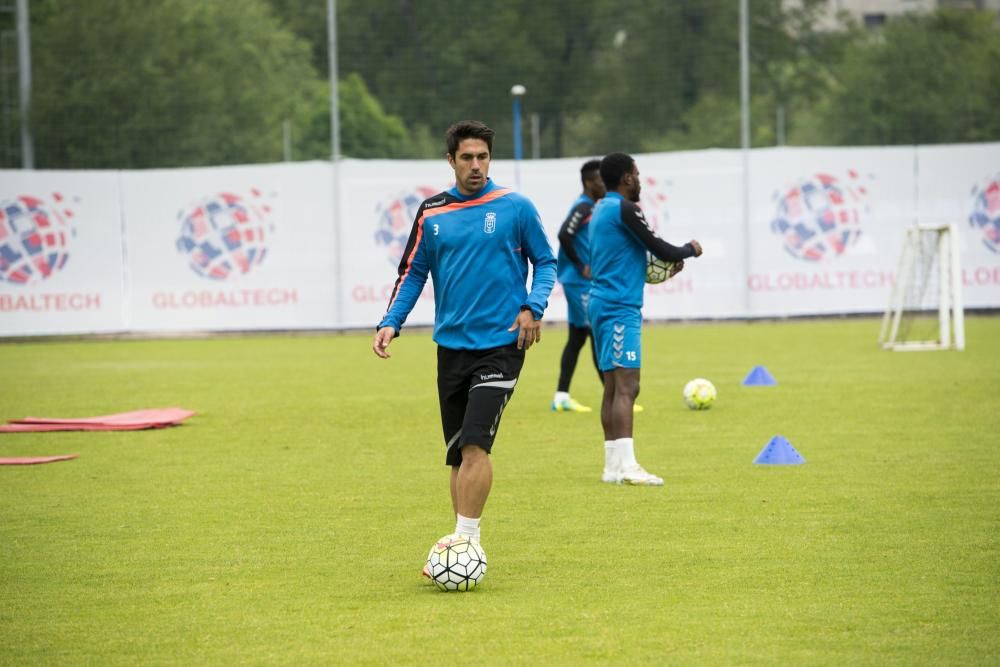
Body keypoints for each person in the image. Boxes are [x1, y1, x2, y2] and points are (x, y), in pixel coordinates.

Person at [372, 120, 556, 561]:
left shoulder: (515, 207)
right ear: (450, 160)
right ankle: (460, 541)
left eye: (483, 157)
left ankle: (467, 543)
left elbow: (546, 262)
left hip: (502, 344)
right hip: (451, 347)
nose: (476, 165)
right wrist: (391, 321)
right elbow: (413, 272)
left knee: (476, 443)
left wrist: (533, 306)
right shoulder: (432, 213)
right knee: (457, 455)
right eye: (467, 158)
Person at [588, 152, 702, 486]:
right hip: (618, 307)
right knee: (628, 386)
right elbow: (659, 247)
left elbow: (634, 254)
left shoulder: (600, 209)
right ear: (626, 178)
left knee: (612, 386)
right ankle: (628, 467)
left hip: (603, 303)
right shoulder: (626, 209)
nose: (639, 180)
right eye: (636, 174)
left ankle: (612, 467)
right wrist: (689, 249)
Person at [550, 160, 604, 413]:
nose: (605, 185)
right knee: (596, 333)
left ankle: (561, 396)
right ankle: (614, 395)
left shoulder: (590, 206)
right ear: (589, 182)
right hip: (578, 282)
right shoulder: (583, 207)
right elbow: (564, 234)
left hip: (579, 282)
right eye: (601, 180)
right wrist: (581, 265)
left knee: (577, 337)